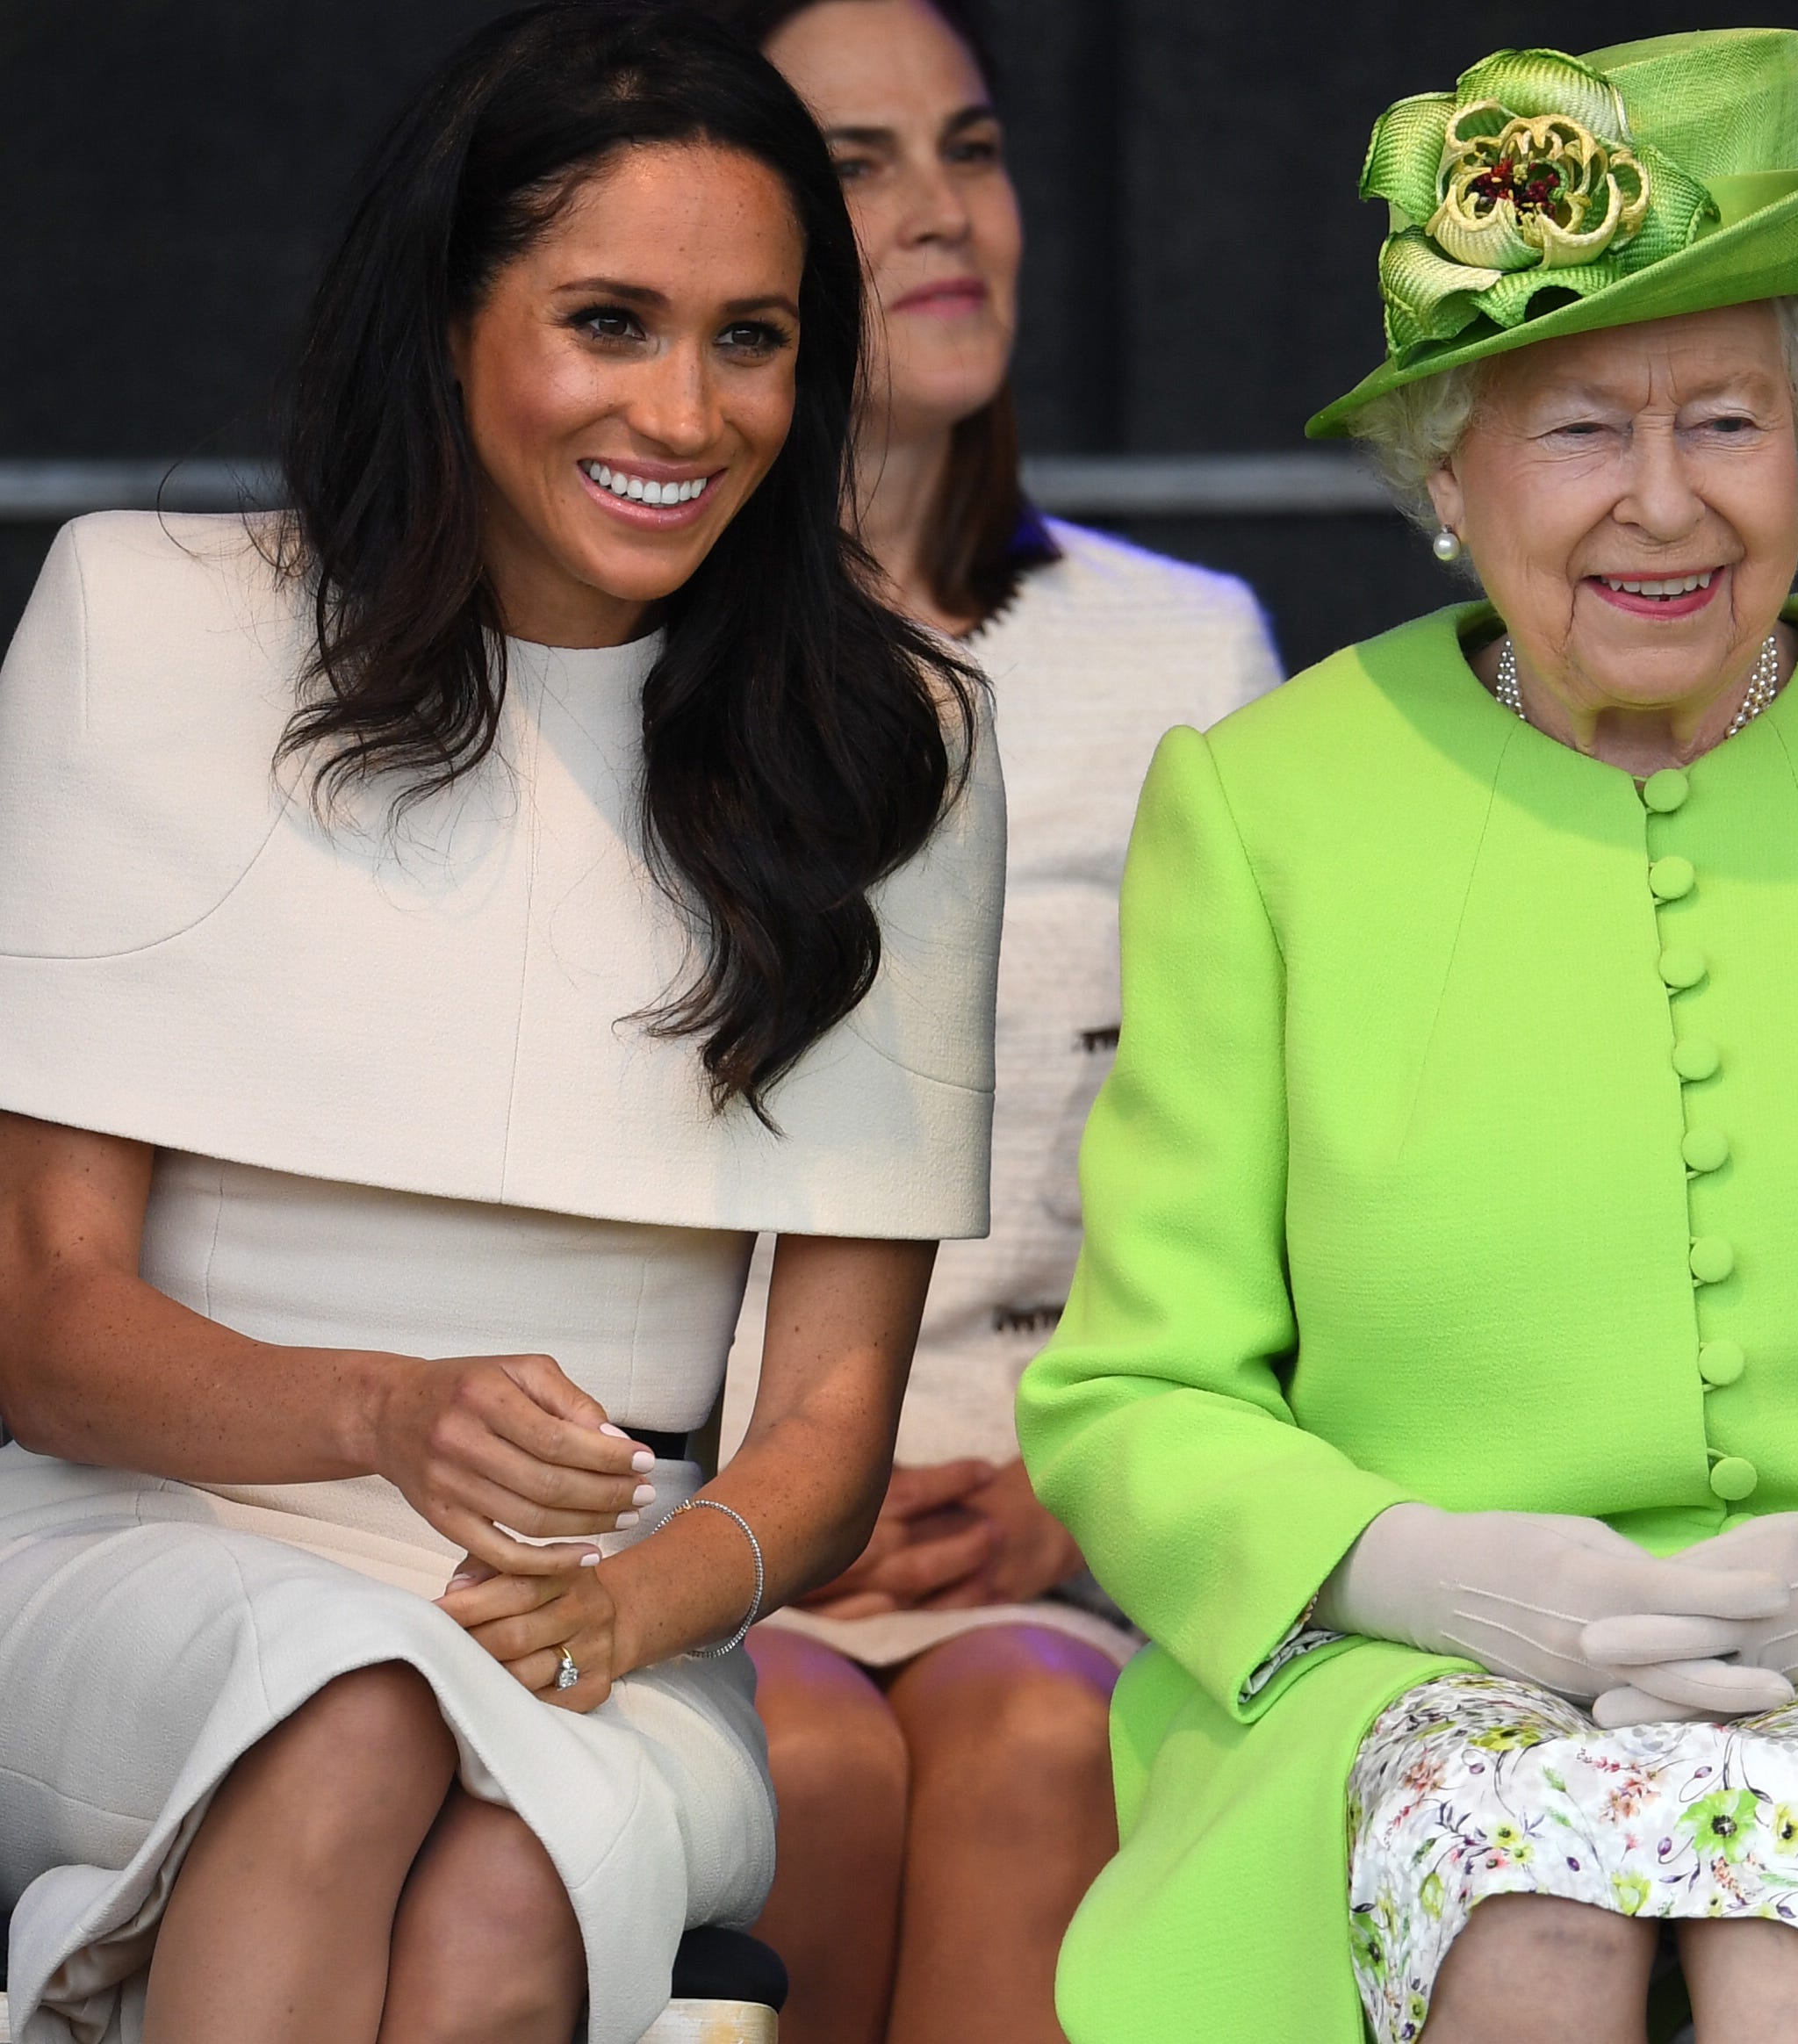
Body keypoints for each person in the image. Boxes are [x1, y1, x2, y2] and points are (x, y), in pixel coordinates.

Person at [1016, 29, 1798, 2044]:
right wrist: (1426, 1573)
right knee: (1528, 1939)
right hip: (1404, 1673)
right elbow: (1135, 1396)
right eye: (1575, 434)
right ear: (1443, 476)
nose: (1662, 503)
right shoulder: (1268, 807)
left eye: (1727, 417)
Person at [0, 7, 1002, 2042]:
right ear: (445, 323)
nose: (689, 408)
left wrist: (630, 1601)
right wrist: (376, 1410)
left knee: (496, 1901)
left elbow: (820, 1436)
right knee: (355, 1713)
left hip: (618, 1621)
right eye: (610, 321)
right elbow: (39, 1324)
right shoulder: (142, 616)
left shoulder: (897, 746)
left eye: (753, 336)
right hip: (136, 1557)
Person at [701, 3, 1279, 2039]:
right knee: (809, 1770)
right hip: (690, 1517)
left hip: (1042, 1516)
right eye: (857, 164)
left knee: (1038, 1737)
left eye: (973, 146)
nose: (946, 217)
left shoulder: (1183, 648)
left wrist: (1077, 1495)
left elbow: (1260, 1174)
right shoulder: (618, 656)